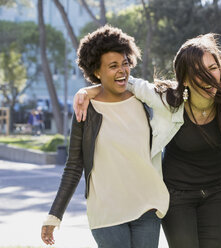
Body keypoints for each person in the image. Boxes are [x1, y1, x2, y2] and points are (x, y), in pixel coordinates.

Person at [73, 33, 221, 248]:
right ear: (185, 78)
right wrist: (87, 90)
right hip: (177, 196)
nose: (210, 77)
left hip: (217, 194)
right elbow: (132, 83)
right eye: (199, 72)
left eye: (213, 68)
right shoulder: (169, 100)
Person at [41, 25, 169, 248]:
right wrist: (55, 215)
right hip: (107, 212)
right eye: (113, 66)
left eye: (125, 63)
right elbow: (73, 166)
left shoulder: (144, 101)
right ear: (97, 72)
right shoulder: (86, 109)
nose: (122, 70)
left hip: (147, 207)